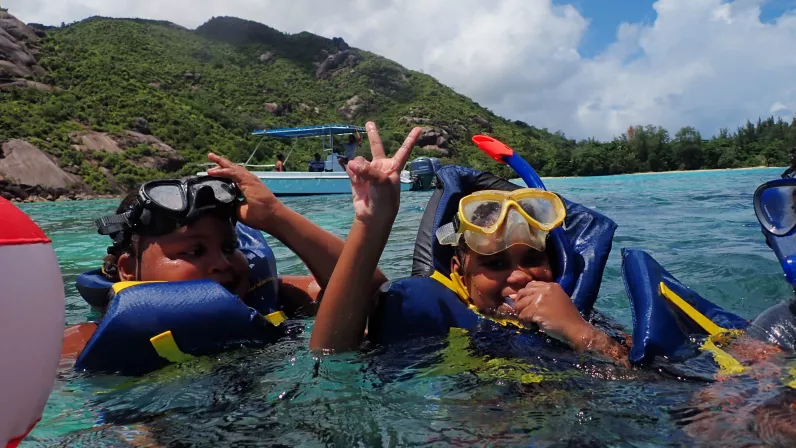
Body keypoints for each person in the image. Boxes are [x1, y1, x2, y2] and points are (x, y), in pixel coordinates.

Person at [309, 123, 627, 363]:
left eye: (532, 259)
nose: (520, 276)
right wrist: (372, 223)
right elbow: (332, 357)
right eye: (495, 263)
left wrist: (584, 336)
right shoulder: (440, 325)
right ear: (460, 273)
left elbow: (655, 382)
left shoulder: (583, 319)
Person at [61, 150, 400, 358]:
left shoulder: (278, 299)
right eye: (194, 250)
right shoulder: (88, 342)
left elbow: (374, 297)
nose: (221, 264)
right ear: (128, 270)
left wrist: (277, 218)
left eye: (229, 246)